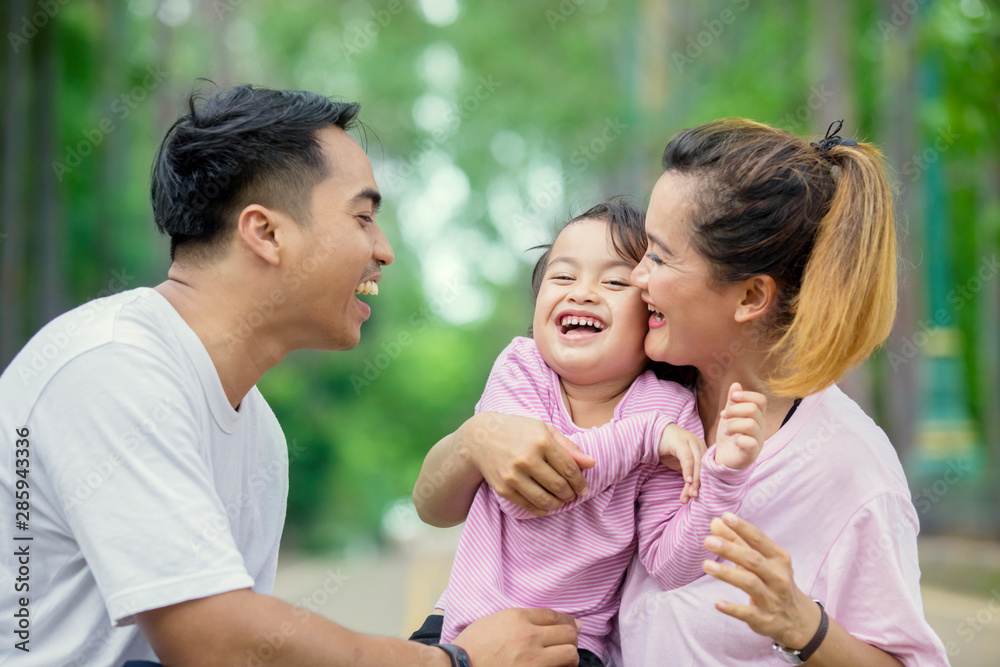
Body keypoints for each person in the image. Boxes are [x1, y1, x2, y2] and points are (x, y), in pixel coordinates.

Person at [0, 85, 582, 667]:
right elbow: (211, 639)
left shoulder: (260, 436)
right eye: (363, 217)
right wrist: (452, 661)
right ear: (266, 233)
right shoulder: (111, 366)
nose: (384, 250)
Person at [413, 119, 950, 666]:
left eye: (659, 256)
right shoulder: (638, 376)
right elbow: (448, 504)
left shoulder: (850, 470)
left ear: (751, 297)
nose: (636, 278)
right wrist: (477, 438)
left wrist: (805, 628)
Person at [411, 199, 768, 667]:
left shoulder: (670, 410)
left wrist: (723, 474)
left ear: (652, 312)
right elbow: (525, 494)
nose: (582, 293)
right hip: (464, 630)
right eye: (562, 277)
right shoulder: (521, 369)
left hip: (569, 650)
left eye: (615, 282)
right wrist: (645, 439)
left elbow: (670, 563)